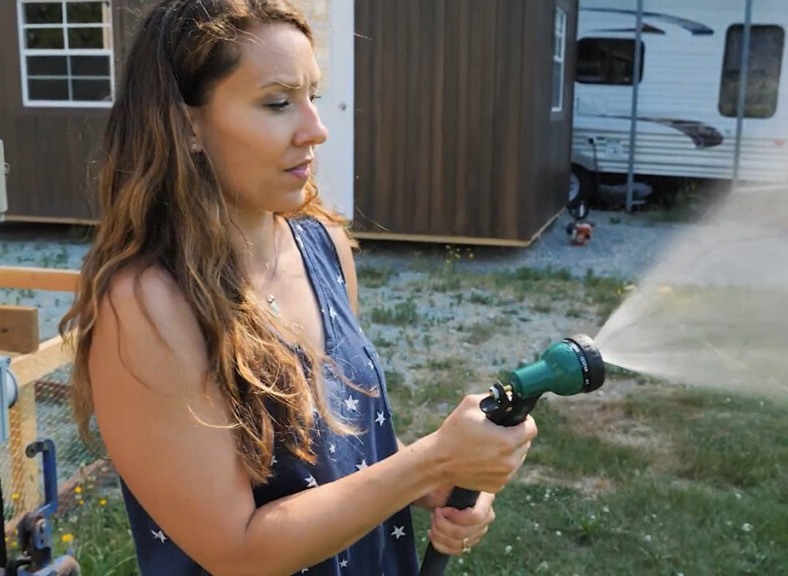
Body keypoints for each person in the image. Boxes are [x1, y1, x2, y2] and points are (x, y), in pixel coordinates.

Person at [59, 1, 537, 574]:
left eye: (312, 94)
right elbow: (237, 551)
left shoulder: (323, 246)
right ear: (187, 125)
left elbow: (339, 458)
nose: (316, 128)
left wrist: (430, 482)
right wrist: (430, 462)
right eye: (278, 102)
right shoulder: (148, 306)